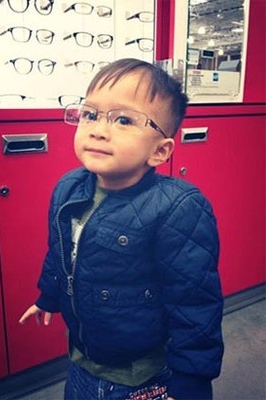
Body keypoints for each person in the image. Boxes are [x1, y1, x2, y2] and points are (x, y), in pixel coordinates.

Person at [19, 58, 223, 400]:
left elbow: (195, 303)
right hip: (82, 361)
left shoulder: (178, 208)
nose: (98, 129)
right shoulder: (68, 188)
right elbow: (61, 253)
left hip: (142, 375)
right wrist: (48, 297)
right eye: (90, 114)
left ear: (160, 151)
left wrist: (192, 381)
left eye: (124, 119)